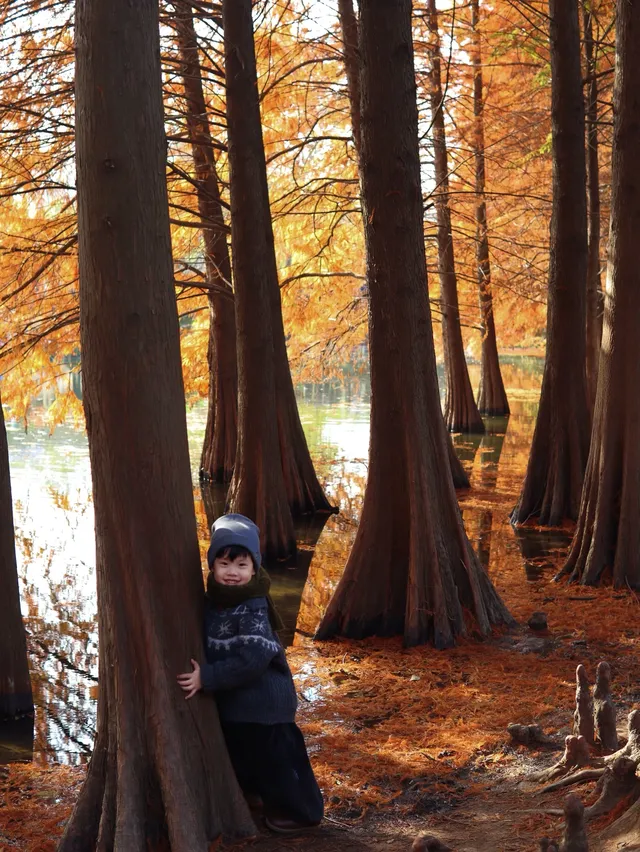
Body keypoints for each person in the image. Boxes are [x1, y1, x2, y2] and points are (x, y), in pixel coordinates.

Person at [177, 513, 324, 834]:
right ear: (212, 567)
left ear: (254, 569)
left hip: (265, 704)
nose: (232, 573)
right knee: (243, 755)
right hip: (239, 704)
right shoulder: (215, 601)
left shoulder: (252, 606)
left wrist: (208, 678)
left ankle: (302, 812)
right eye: (225, 564)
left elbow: (254, 657)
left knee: (278, 762)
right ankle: (255, 798)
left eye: (242, 566)